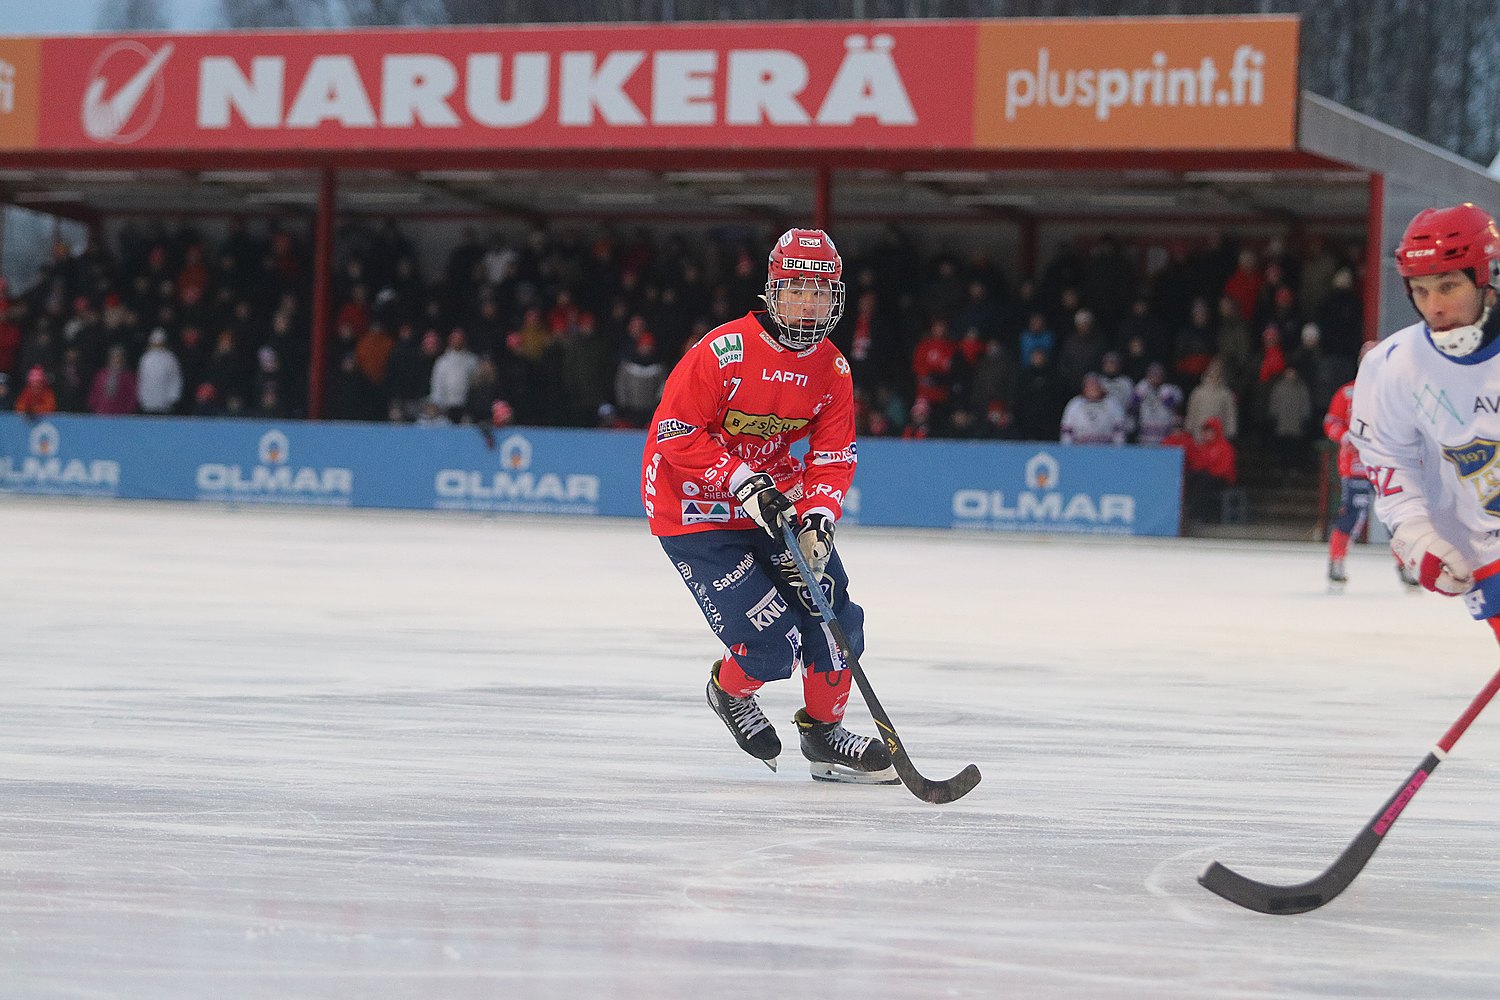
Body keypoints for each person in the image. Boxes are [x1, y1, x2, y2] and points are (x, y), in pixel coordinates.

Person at [640, 228, 895, 784]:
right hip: (694, 509)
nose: (808, 303)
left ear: (837, 299)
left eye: (820, 292)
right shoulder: (722, 352)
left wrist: (819, 518)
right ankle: (727, 691)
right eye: (796, 289)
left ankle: (825, 737)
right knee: (771, 644)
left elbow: (832, 453)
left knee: (831, 612)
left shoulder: (832, 370)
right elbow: (675, 434)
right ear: (772, 292)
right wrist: (743, 483)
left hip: (774, 501)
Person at [1352, 203, 1500, 625]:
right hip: (1486, 550)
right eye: (1420, 290)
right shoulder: (1394, 364)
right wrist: (1413, 530)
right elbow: (1387, 455)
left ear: (1488, 279)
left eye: (1448, 286)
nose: (1433, 307)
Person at [1323, 342, 1419, 590]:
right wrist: (1346, 437)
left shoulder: (1393, 393)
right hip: (1355, 464)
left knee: (1396, 516)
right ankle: (1336, 562)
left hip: (1386, 463)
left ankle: (1405, 564)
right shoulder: (1346, 393)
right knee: (1352, 514)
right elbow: (1331, 422)